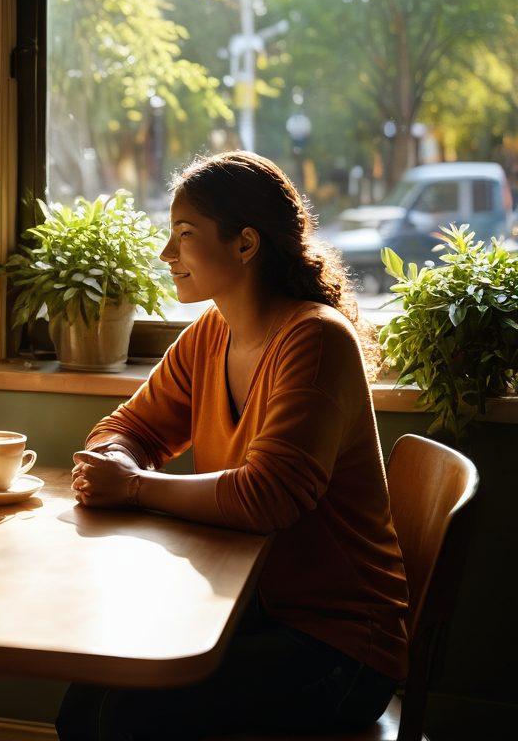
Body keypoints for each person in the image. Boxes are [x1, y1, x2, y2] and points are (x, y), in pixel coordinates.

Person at [58, 151, 409, 741]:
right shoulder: (212, 332)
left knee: (118, 714)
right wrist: (116, 459)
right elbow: (131, 428)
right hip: (248, 611)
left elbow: (268, 499)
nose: (168, 255)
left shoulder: (316, 341)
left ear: (245, 245)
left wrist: (136, 487)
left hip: (339, 647)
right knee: (88, 694)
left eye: (185, 236)